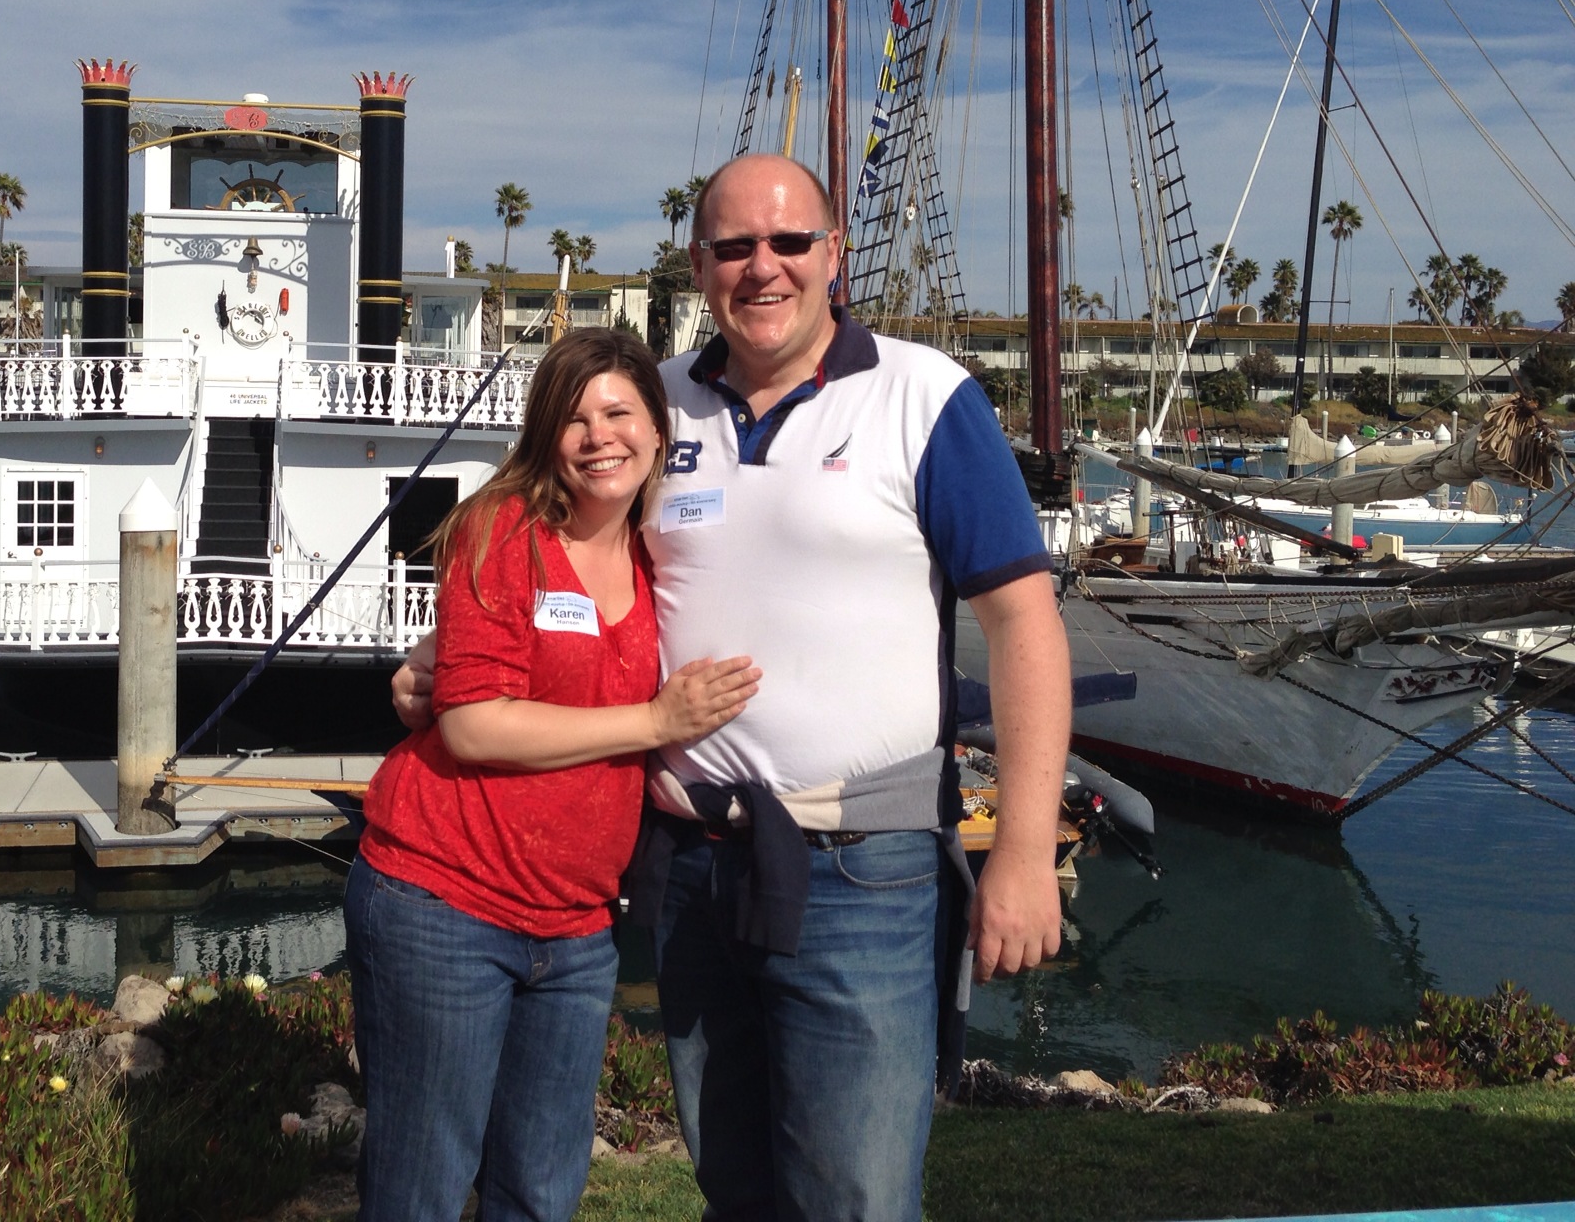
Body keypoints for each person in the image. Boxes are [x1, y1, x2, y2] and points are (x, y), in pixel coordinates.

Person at [396, 154, 1071, 1222]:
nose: (763, 268)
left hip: (864, 870)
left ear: (832, 254)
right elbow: (554, 553)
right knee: (732, 1180)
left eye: (788, 242)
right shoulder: (651, 410)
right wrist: (448, 660)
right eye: (733, 247)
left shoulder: (922, 396)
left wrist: (1025, 848)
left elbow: (1022, 623)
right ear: (699, 265)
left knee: (853, 1192)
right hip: (692, 867)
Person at [349, 326, 761, 1222]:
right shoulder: (506, 529)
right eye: (573, 418)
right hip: (444, 902)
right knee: (419, 1187)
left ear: (658, 429)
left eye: (619, 412)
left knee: (541, 1191)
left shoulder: (661, 557)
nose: (597, 436)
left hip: (576, 927)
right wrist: (655, 721)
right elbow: (472, 724)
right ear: (544, 434)